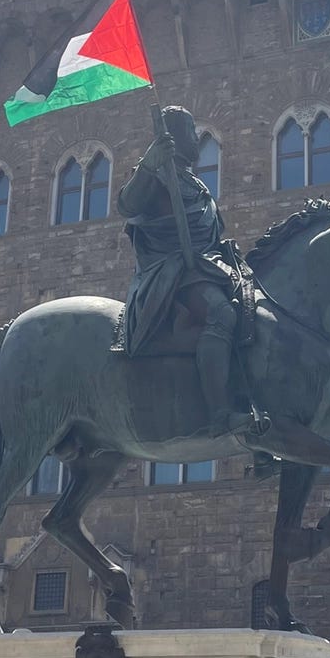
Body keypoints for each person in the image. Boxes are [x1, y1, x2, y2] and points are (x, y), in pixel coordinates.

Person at [116, 105, 253, 437]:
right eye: (192, 133)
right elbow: (127, 206)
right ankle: (220, 413)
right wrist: (149, 165)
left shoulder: (193, 184)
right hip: (171, 273)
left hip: (204, 268)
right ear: (175, 137)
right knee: (222, 314)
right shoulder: (157, 175)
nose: (198, 141)